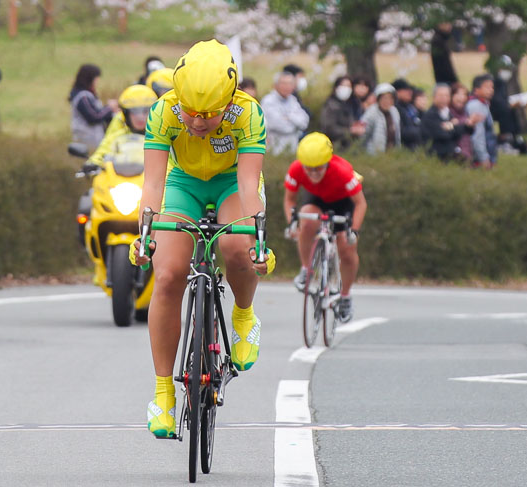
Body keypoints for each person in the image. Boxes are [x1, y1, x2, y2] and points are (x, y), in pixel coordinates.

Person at [130, 40, 274, 438]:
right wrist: (144, 234)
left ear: (229, 101)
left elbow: (248, 185)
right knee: (169, 273)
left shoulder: (248, 113)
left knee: (234, 246)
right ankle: (163, 395)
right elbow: (154, 182)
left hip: (231, 184)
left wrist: (257, 239)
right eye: (191, 111)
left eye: (209, 114)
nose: (197, 122)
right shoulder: (164, 111)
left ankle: (243, 315)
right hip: (183, 185)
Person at [283, 132, 367, 323]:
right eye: (309, 169)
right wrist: (292, 222)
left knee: (346, 249)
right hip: (317, 200)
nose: (313, 174)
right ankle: (307, 269)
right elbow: (290, 200)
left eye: (318, 169)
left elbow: (361, 204)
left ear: (327, 163)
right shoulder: (296, 169)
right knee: (307, 221)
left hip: (344, 204)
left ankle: (345, 296)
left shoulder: (343, 172)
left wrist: (354, 230)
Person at [88, 84, 157, 167]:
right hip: (120, 177)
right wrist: (93, 163)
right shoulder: (116, 136)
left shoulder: (160, 136)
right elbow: (101, 153)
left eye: (145, 111)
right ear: (126, 114)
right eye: (134, 112)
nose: (140, 117)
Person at [421, 84, 481, 162]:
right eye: (441, 96)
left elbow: (458, 132)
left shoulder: (447, 113)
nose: (444, 98)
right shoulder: (430, 115)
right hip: (437, 158)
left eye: (447, 96)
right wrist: (453, 125)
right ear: (434, 97)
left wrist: (468, 125)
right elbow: (443, 134)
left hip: (452, 156)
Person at [69, 64, 118, 151]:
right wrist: (109, 108)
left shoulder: (87, 95)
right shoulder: (83, 97)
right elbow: (94, 117)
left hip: (93, 141)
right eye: (96, 79)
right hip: (87, 142)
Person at [260, 71, 310, 155]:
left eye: (290, 83)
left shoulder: (293, 100)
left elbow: (305, 121)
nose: (287, 86)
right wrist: (296, 125)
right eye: (283, 83)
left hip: (293, 149)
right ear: (276, 85)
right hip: (274, 151)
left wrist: (288, 117)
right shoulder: (268, 101)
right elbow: (279, 125)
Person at [490, 55, 527, 155]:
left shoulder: (503, 83)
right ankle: (505, 140)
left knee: (512, 112)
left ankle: (516, 138)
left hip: (500, 108)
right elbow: (496, 101)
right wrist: (508, 105)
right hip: (493, 110)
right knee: (506, 112)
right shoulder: (495, 82)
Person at [319, 76, 365, 152]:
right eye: (343, 86)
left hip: (347, 146)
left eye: (348, 86)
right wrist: (350, 131)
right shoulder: (331, 106)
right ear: (336, 88)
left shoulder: (349, 104)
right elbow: (329, 128)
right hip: (333, 146)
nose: (346, 89)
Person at [466, 74, 498, 168]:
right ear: (476, 90)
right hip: (478, 159)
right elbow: (477, 135)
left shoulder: (484, 103)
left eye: (492, 87)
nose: (491, 90)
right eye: (487, 87)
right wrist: (483, 158)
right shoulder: (476, 106)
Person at [360, 83, 401, 155]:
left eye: (390, 98)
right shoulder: (371, 113)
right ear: (378, 99)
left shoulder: (394, 111)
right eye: (384, 98)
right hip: (373, 156)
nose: (387, 101)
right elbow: (363, 137)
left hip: (391, 154)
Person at [392, 78, 423, 150]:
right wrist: (421, 130)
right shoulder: (395, 109)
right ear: (397, 92)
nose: (410, 92)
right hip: (404, 148)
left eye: (410, 90)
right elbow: (401, 131)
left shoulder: (410, 107)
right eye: (406, 90)